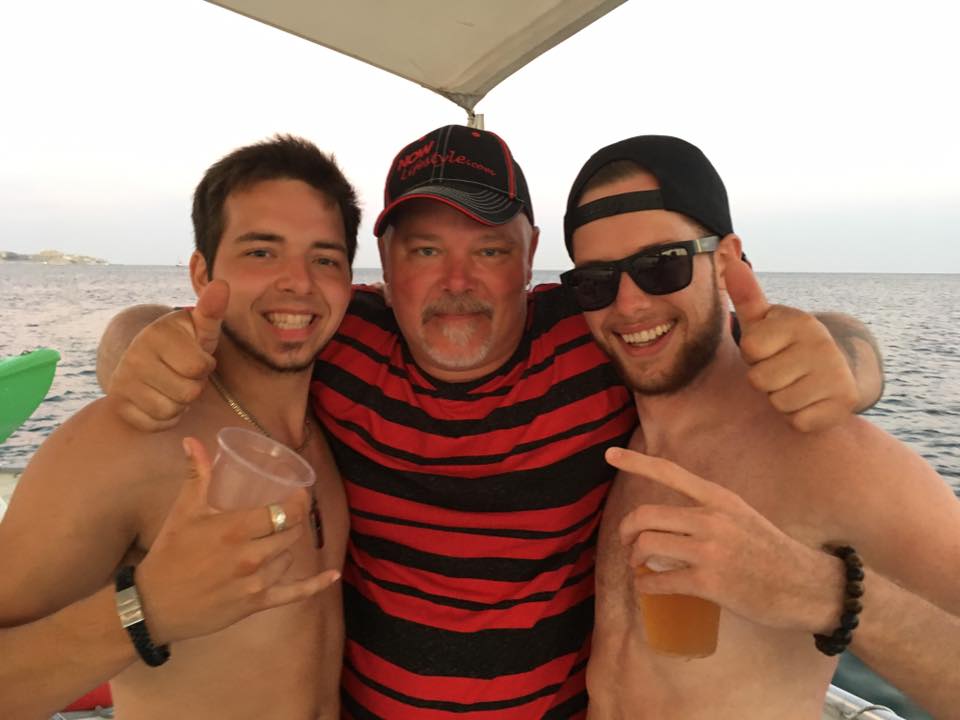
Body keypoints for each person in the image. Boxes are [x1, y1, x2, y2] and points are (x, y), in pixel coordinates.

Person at [97, 125, 885, 718]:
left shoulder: (599, 332)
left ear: (533, 252)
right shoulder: (338, 339)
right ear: (385, 259)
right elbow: (183, 326)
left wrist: (849, 366)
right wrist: (128, 344)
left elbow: (770, 339)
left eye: (491, 251)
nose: (457, 283)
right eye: (426, 250)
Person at [560, 135, 960, 719]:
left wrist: (823, 595)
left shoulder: (823, 451)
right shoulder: (615, 423)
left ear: (725, 261)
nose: (628, 305)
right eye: (596, 281)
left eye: (662, 266)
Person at [0, 135, 355, 719]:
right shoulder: (133, 438)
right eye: (261, 252)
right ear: (200, 272)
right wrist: (148, 612)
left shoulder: (332, 419)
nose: (299, 281)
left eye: (325, 258)